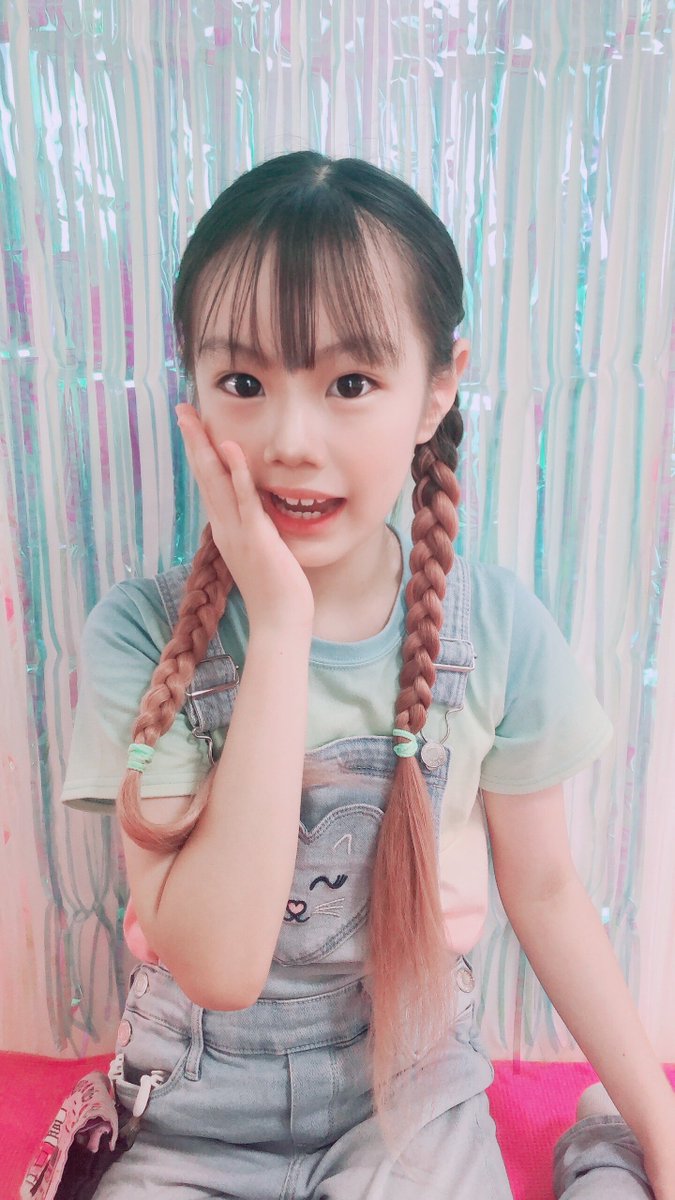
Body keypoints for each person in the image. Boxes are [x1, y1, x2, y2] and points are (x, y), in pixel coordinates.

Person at [59, 151, 674, 1198]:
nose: (291, 441)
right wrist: (281, 627)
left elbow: (547, 891)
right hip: (193, 1115)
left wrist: (659, 1129)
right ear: (192, 393)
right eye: (243, 383)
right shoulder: (140, 638)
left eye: (350, 384)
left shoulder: (499, 633)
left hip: (407, 1101)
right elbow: (218, 965)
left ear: (437, 389)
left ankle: (604, 1147)